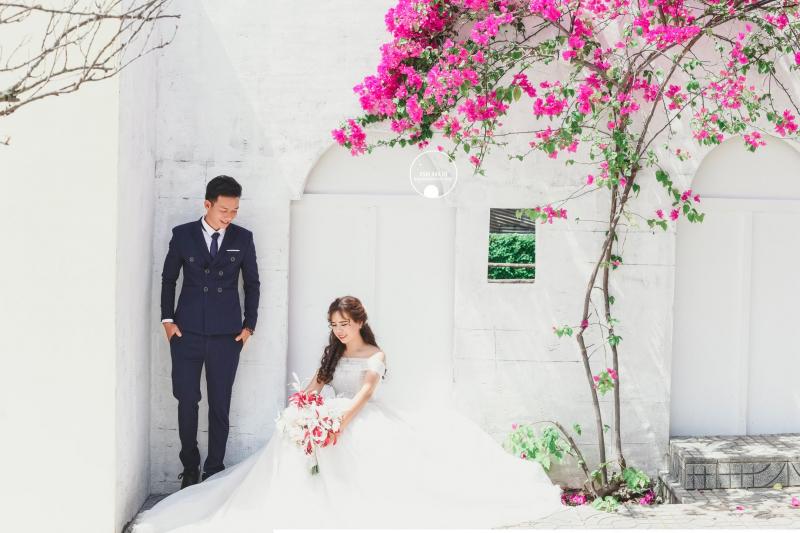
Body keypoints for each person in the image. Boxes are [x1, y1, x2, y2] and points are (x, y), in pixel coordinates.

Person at [132, 296, 563, 532]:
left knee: (352, 450)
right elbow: (315, 385)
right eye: (333, 324)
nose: (338, 330)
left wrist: (339, 422)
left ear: (359, 322)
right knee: (289, 440)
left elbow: (365, 395)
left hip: (358, 417)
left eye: (344, 323)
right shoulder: (334, 352)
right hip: (327, 415)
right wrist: (300, 410)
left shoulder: (375, 354)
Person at [159, 175, 260, 489]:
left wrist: (249, 326)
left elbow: (252, 283)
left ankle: (214, 469)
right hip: (186, 334)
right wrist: (168, 321)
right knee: (187, 400)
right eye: (223, 210)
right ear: (207, 204)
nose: (229, 216)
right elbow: (168, 279)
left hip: (227, 337)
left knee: (220, 404)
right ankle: (190, 467)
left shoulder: (243, 238)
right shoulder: (183, 235)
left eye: (234, 210)